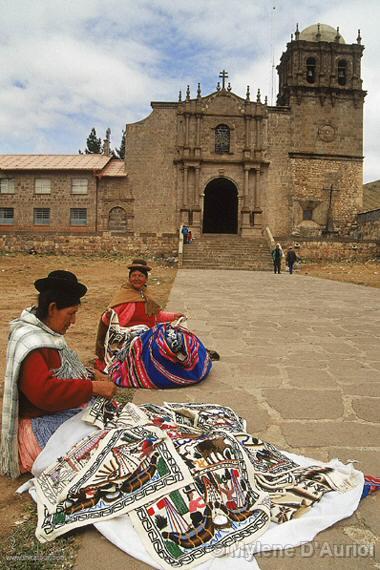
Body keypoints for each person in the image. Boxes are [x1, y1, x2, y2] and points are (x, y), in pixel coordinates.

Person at [0, 270, 116, 478]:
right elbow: (44, 393)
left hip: (55, 413)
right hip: (39, 426)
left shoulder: (48, 333)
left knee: (112, 425)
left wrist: (91, 375)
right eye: (71, 313)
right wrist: (93, 387)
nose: (73, 321)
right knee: (101, 447)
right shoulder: (31, 341)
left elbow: (62, 369)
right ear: (53, 308)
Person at [95, 259, 184, 369]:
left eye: (140, 276)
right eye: (134, 275)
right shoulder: (124, 295)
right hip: (129, 339)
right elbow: (109, 317)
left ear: (146, 279)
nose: (137, 278)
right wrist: (108, 316)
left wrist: (174, 316)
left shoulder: (147, 295)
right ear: (129, 278)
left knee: (175, 339)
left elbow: (157, 315)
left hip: (149, 334)